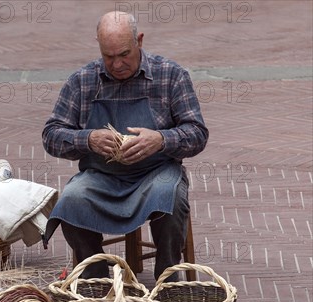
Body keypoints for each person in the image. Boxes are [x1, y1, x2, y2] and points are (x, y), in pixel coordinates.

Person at [42, 11, 208, 281]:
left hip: (156, 174)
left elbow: (197, 133)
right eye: (109, 56)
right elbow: (51, 135)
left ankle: (167, 280)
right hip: (101, 177)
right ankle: (95, 276)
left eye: (124, 54)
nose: (117, 64)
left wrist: (161, 139)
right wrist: (89, 139)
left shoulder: (171, 75)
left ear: (139, 41)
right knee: (70, 199)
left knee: (170, 197)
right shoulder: (82, 81)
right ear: (98, 46)